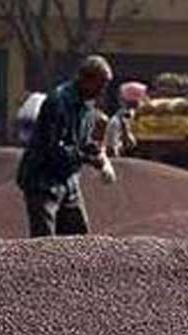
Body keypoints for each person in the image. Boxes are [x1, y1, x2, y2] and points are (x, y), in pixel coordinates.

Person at [16, 55, 117, 238]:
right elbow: (54, 150)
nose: (103, 91)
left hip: (68, 181)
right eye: (100, 84)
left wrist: (99, 156)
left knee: (79, 239)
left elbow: (82, 142)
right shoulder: (58, 102)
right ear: (86, 79)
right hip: (43, 181)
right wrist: (86, 157)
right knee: (44, 243)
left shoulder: (87, 107)